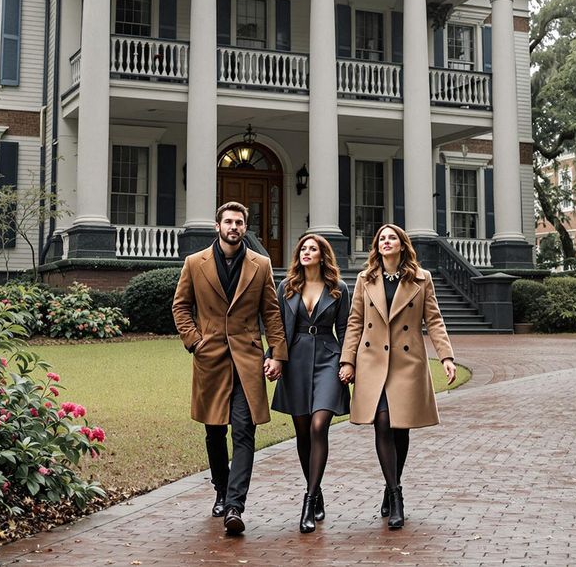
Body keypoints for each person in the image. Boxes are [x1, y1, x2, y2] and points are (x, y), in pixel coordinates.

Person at [172, 201, 288, 536]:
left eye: (239, 222)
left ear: (244, 227)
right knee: (214, 431)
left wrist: (277, 353)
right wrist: (195, 341)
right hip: (211, 359)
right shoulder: (195, 263)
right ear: (217, 226)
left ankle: (235, 505)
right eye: (228, 222)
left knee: (244, 430)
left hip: (248, 360)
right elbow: (181, 305)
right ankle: (221, 491)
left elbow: (271, 313)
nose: (233, 227)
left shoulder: (260, 265)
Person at [339, 223, 457, 530]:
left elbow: (434, 319)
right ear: (376, 247)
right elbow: (354, 322)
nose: (386, 242)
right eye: (381, 239)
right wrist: (347, 361)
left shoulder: (421, 278)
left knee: (401, 428)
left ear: (402, 245)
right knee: (382, 422)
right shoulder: (365, 279)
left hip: (407, 362)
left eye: (392, 238)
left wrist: (446, 356)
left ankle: (391, 485)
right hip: (373, 360)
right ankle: (395, 494)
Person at [270, 233, 351, 534]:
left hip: (328, 358)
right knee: (303, 432)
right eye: (302, 248)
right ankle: (316, 492)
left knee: (319, 426)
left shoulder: (339, 288)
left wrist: (348, 361)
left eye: (312, 249)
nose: (306, 252)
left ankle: (307, 500)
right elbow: (276, 326)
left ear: (322, 255)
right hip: (296, 360)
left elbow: (345, 329)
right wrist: (273, 356)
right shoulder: (286, 287)